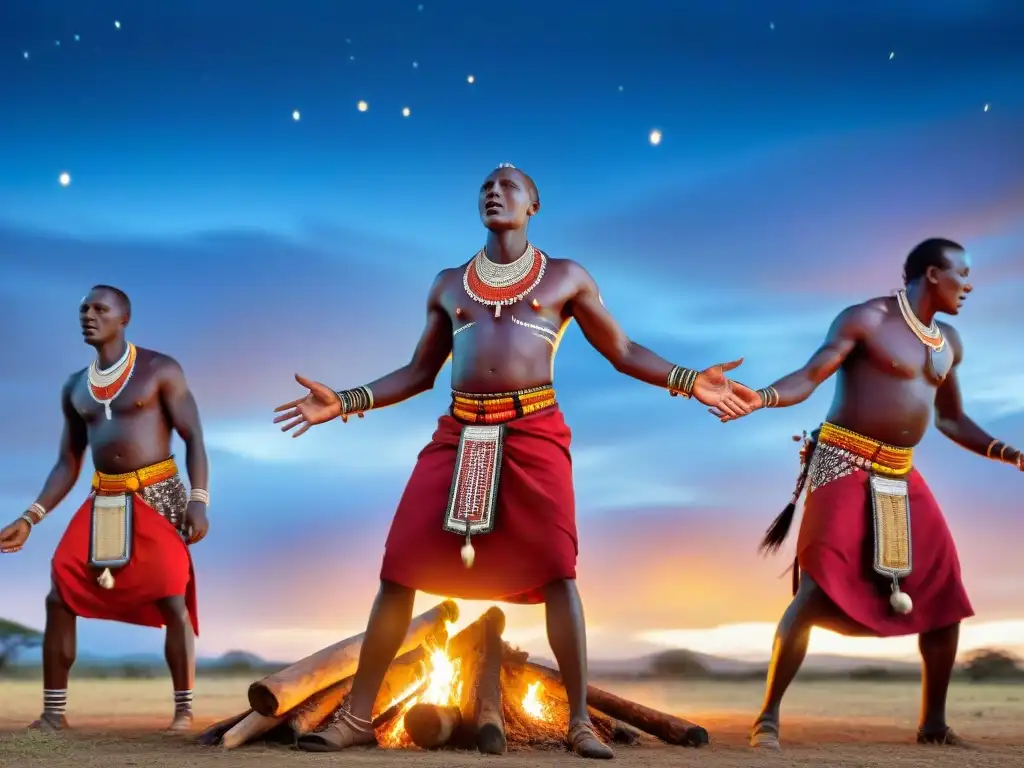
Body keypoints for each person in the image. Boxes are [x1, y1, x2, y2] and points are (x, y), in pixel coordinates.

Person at [272, 163, 757, 757]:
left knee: (557, 567)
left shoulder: (566, 278)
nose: (494, 192)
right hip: (458, 434)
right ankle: (356, 718)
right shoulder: (449, 285)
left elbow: (624, 350)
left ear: (534, 205)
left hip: (534, 431)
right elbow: (420, 373)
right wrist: (344, 402)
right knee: (399, 565)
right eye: (484, 187)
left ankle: (579, 722)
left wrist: (688, 381)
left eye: (508, 187)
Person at [710, 238, 1023, 749]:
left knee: (944, 595)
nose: (969, 284)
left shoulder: (950, 343)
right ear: (932, 274)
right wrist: (763, 397)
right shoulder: (867, 319)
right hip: (842, 462)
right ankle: (766, 718)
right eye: (962, 273)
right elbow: (811, 375)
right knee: (814, 592)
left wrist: (1010, 454)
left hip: (902, 472)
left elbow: (949, 418)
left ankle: (934, 727)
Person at [0, 285, 211, 733]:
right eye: (83, 308)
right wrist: (29, 517)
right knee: (60, 590)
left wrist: (198, 500)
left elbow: (195, 438)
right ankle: (54, 714)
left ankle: (183, 710)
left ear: (123, 318)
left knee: (172, 594)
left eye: (100, 309)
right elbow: (67, 463)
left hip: (158, 495)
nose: (88, 315)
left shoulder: (160, 369)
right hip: (103, 499)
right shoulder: (75, 386)